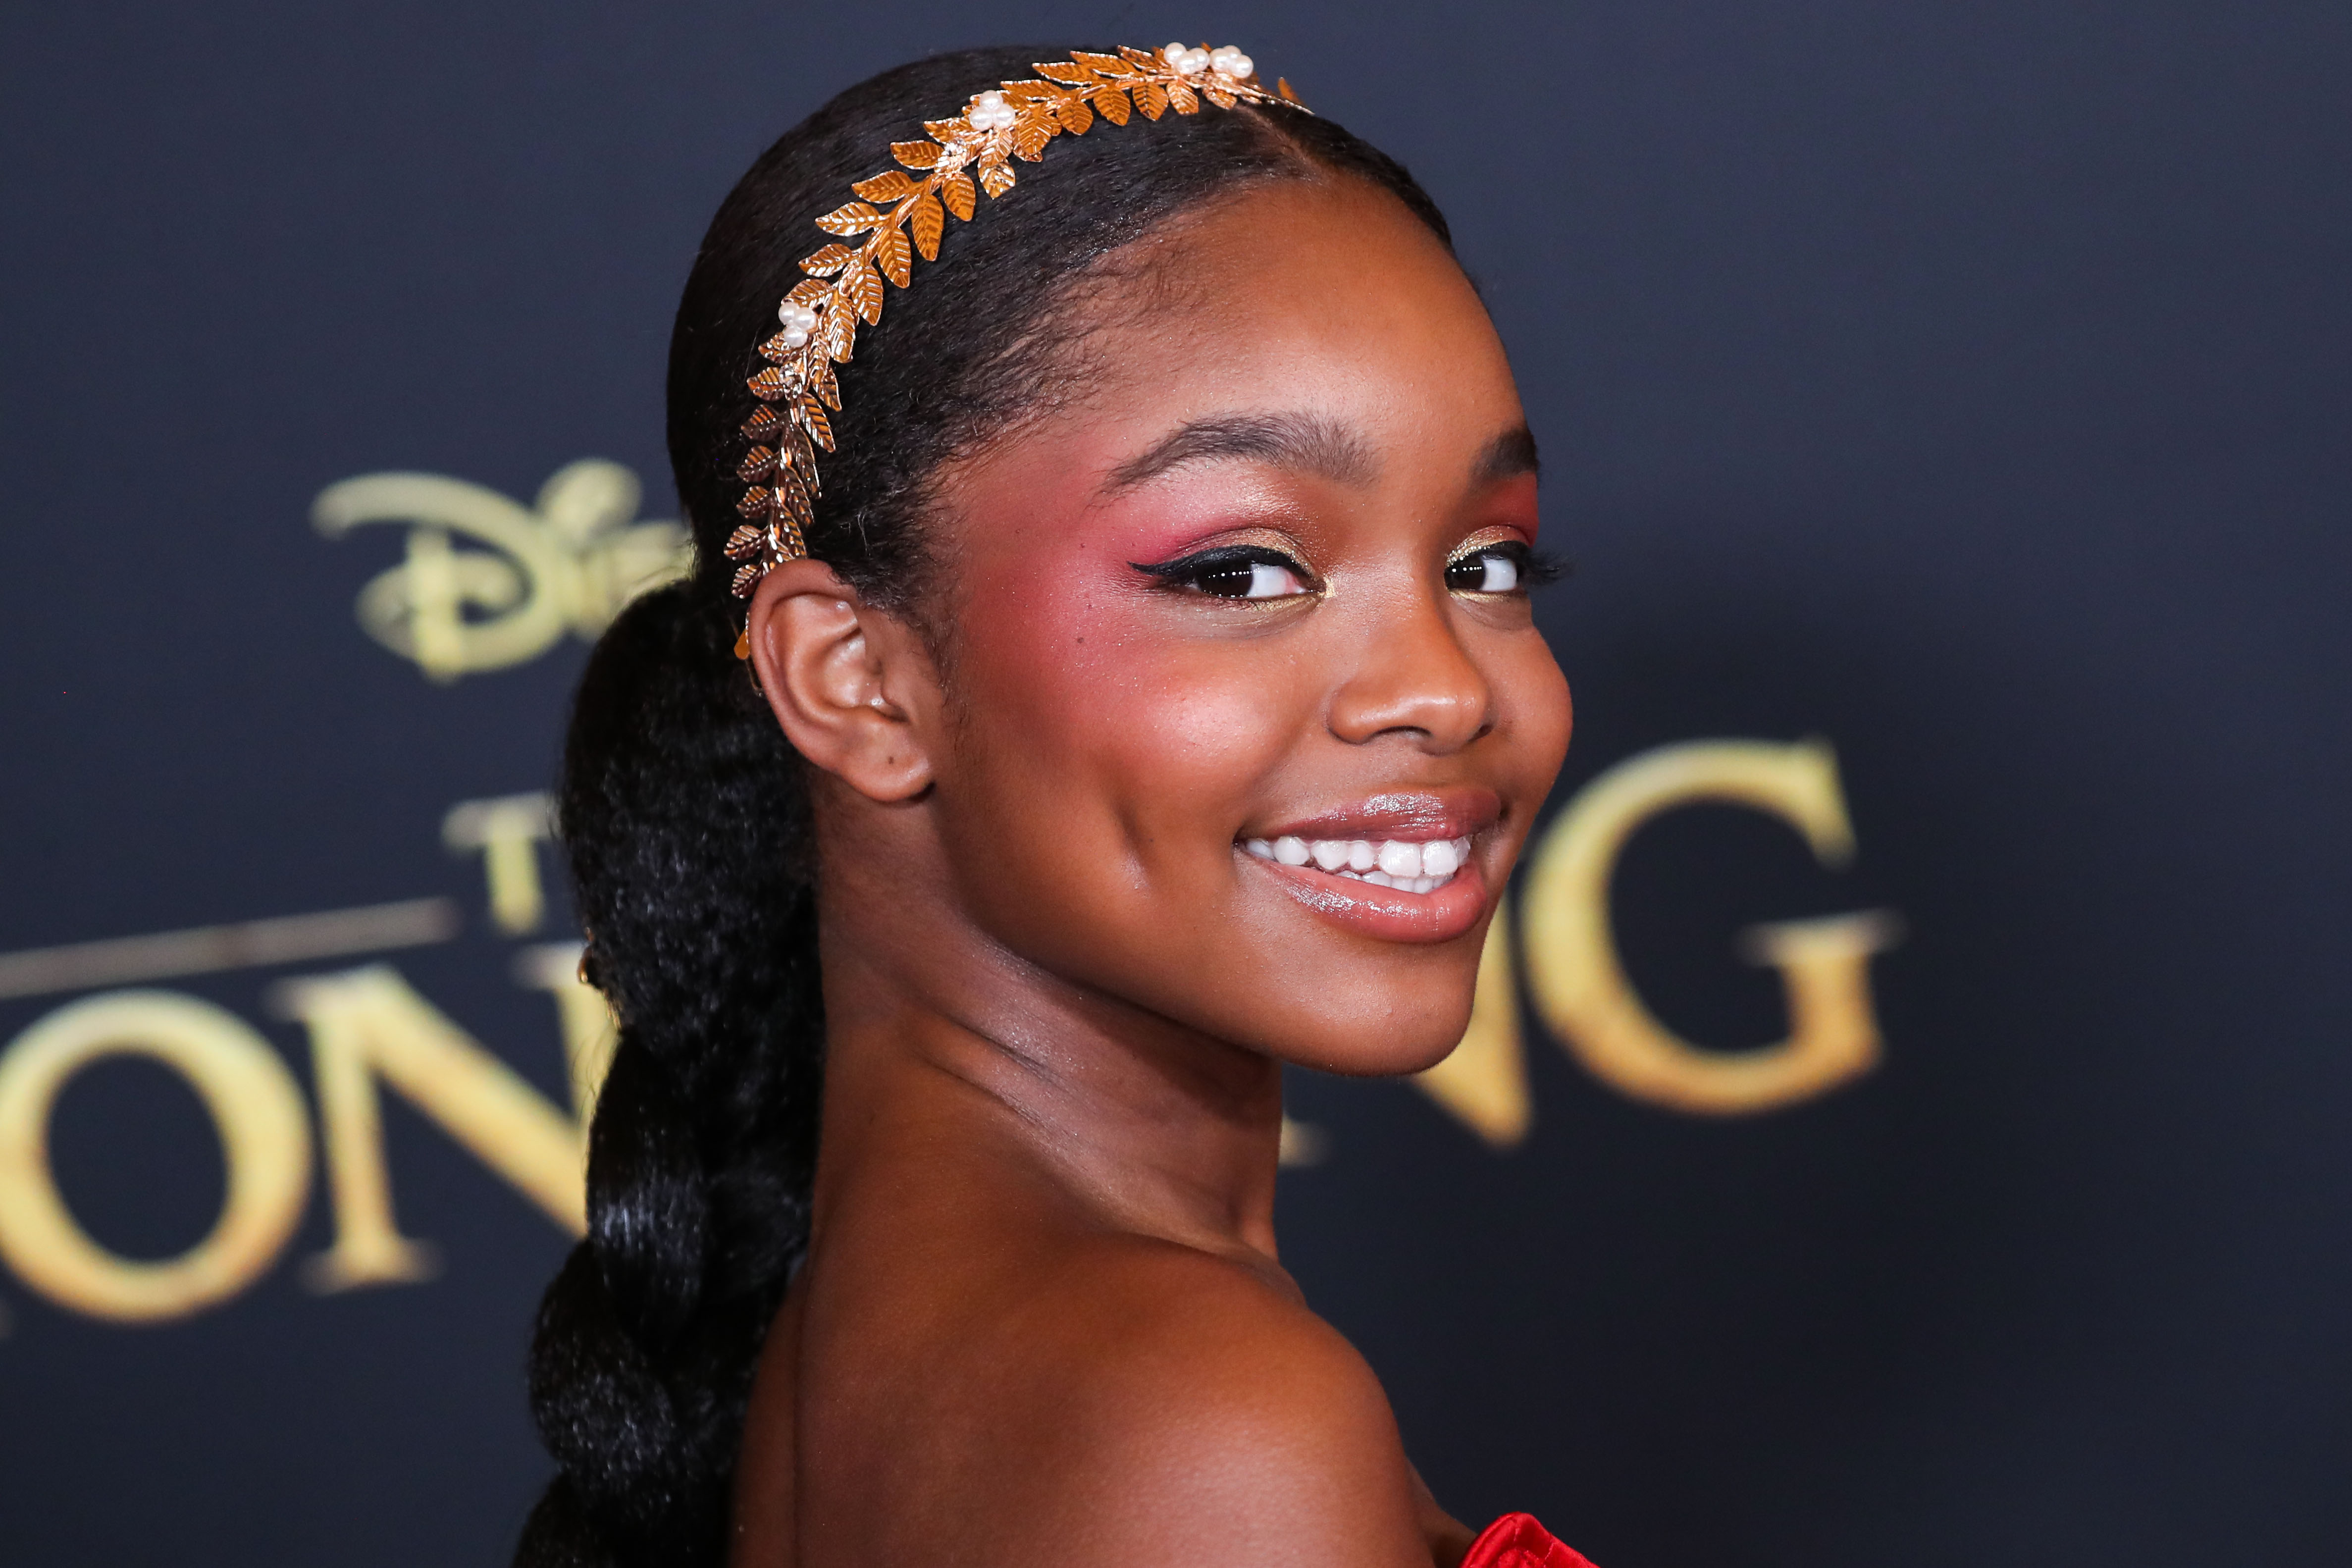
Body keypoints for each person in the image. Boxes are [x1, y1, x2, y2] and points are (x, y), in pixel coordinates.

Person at [519, 41, 1585, 1568]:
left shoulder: (889, 1348)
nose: (1445, 687)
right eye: (1238, 572)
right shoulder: (1198, 1421)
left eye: (1486, 563)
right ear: (857, 680)